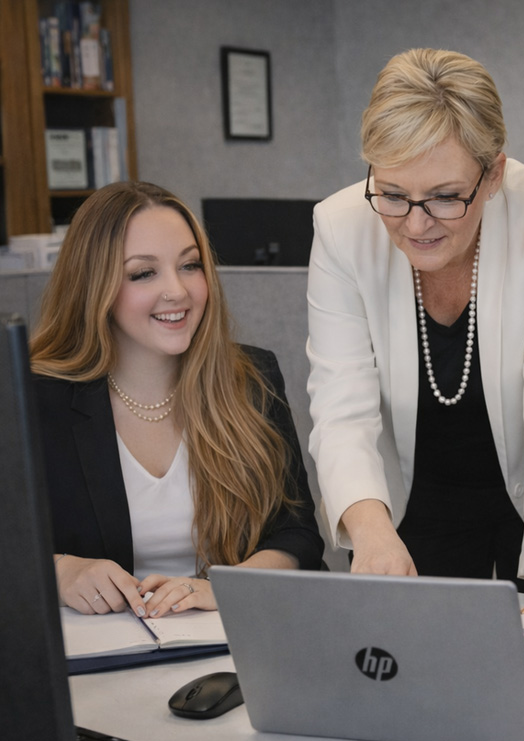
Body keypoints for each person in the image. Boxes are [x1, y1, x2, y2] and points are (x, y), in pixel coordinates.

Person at [306, 48, 524, 629]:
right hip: (413, 492)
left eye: (445, 196)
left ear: (494, 174)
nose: (416, 223)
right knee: (426, 656)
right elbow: (340, 403)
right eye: (393, 193)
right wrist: (372, 532)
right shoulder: (340, 226)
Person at [32, 181, 324, 620]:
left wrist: (225, 588)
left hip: (226, 635)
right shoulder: (38, 397)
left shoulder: (250, 378)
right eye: (143, 273)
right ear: (94, 285)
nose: (178, 291)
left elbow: (296, 535)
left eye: (190, 266)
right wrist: (59, 571)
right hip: (98, 645)